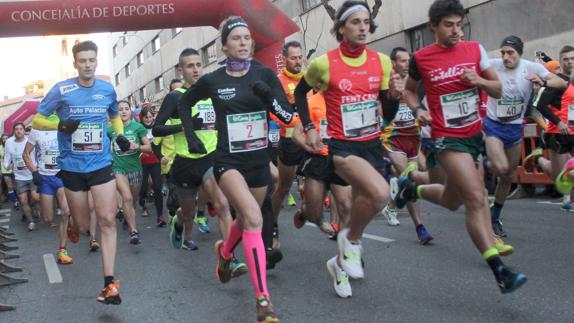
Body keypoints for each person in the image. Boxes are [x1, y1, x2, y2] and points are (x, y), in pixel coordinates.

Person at [393, 0, 526, 293]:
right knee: (476, 197)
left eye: (459, 24)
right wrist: (417, 111)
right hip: (445, 136)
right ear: (434, 27)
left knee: (453, 200)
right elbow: (411, 92)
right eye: (448, 25)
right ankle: (500, 271)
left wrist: (477, 79)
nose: (456, 31)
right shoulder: (422, 57)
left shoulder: (475, 50)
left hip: (474, 134)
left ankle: (411, 189)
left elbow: (498, 89)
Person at [177, 17, 298, 323]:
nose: (244, 43)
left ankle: (226, 252)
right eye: (237, 38)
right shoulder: (213, 80)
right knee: (255, 219)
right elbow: (184, 104)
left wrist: (269, 98)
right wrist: (191, 137)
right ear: (225, 45)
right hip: (227, 162)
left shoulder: (265, 74)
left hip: (258, 161)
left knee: (246, 220)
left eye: (248, 38)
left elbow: (287, 117)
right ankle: (263, 301)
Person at [294, 0, 403, 298]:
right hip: (342, 148)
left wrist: (394, 95)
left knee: (360, 206)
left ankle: (339, 264)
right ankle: (351, 243)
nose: (363, 27)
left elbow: (389, 113)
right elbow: (300, 93)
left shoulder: (381, 61)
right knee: (380, 194)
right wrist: (310, 127)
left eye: (366, 22)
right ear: (341, 27)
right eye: (355, 22)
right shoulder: (324, 64)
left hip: (370, 145)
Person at [32, 40, 130, 305]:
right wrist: (61, 124)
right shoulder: (62, 90)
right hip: (72, 168)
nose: (87, 65)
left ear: (96, 62)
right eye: (82, 61)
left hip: (100, 163)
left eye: (91, 60)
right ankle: (75, 227)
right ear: (75, 63)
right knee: (85, 227)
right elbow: (38, 118)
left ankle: (109, 284)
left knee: (108, 220)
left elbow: (115, 116)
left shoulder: (107, 89)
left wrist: (119, 135)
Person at [483, 36, 563, 236]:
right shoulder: (492, 65)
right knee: (499, 167)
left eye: (510, 53)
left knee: (508, 175)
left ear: (520, 53)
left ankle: (495, 216)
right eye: (503, 52)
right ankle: (479, 164)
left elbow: (560, 82)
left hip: (514, 128)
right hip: (493, 125)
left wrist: (543, 80)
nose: (505, 57)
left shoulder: (530, 68)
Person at [380, 47, 433, 244]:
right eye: (403, 61)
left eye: (408, 60)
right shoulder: (387, 84)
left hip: (414, 138)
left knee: (420, 175)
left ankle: (392, 205)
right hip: (393, 139)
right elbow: (380, 109)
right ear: (394, 63)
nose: (407, 64)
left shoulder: (415, 84)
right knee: (408, 175)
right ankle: (420, 227)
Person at [525, 45, 573, 210]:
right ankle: (538, 158)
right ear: (560, 62)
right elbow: (540, 104)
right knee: (558, 176)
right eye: (566, 59)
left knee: (569, 172)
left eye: (572, 59)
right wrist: (559, 122)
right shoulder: (555, 82)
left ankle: (568, 202)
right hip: (556, 132)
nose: (570, 62)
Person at [269, 41, 306, 251]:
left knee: (319, 183)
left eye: (300, 57)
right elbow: (273, 111)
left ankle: (308, 211)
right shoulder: (278, 81)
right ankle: (272, 226)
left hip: (310, 138)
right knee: (283, 188)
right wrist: (292, 120)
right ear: (284, 59)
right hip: (290, 140)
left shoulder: (309, 78)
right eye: (293, 57)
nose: (298, 61)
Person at [23, 115, 74, 263]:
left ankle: (62, 250)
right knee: (48, 219)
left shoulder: (64, 125)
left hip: (61, 175)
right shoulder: (37, 129)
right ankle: (66, 226)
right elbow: (25, 153)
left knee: (66, 211)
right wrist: (34, 171)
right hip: (45, 178)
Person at [108, 100, 150, 244]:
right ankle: (134, 231)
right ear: (116, 112)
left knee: (133, 200)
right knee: (126, 197)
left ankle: (128, 216)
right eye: (120, 109)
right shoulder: (110, 129)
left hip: (135, 168)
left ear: (130, 111)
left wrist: (136, 146)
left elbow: (149, 148)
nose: (124, 111)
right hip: (118, 168)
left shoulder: (137, 127)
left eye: (126, 108)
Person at [4, 122, 39, 230]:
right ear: (14, 131)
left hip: (32, 174)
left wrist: (37, 166)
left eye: (20, 129)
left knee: (35, 198)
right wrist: (7, 165)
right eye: (16, 129)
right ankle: (31, 221)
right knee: (23, 200)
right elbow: (7, 157)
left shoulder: (30, 141)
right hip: (19, 177)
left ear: (24, 131)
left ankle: (32, 206)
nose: (18, 131)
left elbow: (38, 154)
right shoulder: (9, 142)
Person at [138, 104, 166, 227]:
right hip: (142, 162)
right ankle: (143, 205)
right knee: (143, 186)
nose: (148, 119)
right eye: (146, 117)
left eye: (150, 117)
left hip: (155, 161)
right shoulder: (138, 129)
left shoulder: (157, 128)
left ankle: (160, 216)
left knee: (157, 187)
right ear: (142, 118)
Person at [0, 134, 19, 210]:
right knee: (10, 186)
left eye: (6, 138)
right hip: (5, 170)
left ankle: (19, 200)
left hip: (15, 169)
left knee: (16, 187)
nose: (5, 140)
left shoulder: (13, 146)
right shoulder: (0, 148)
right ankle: (15, 202)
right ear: (1, 140)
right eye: (3, 138)